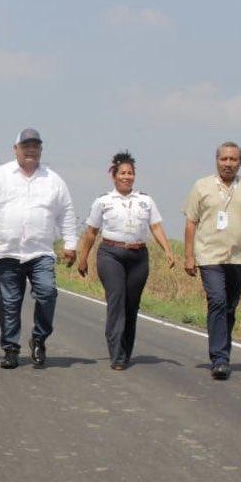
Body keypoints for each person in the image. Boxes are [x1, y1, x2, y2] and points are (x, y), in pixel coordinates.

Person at [0, 128, 77, 369]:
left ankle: (39, 338)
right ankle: (10, 348)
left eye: (35, 146)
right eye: (26, 145)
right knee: (10, 302)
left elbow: (67, 214)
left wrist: (70, 244)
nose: (31, 150)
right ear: (16, 149)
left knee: (47, 293)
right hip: (8, 252)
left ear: (41, 150)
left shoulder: (54, 180)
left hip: (40, 252)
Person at [182, 141, 241, 380]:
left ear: (240, 162)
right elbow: (191, 222)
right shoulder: (201, 186)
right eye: (224, 159)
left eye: (233, 160)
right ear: (216, 160)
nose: (228, 164)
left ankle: (223, 350)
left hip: (238, 256)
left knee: (230, 307)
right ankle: (220, 358)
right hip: (209, 255)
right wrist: (189, 255)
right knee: (217, 301)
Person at [76, 151, 175, 370]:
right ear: (114, 176)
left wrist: (167, 250)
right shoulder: (103, 201)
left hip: (138, 256)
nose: (126, 177)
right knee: (117, 300)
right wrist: (83, 258)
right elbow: (91, 232)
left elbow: (156, 226)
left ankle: (126, 350)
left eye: (130, 173)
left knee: (131, 306)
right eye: (122, 173)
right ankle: (116, 354)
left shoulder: (145, 200)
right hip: (111, 254)